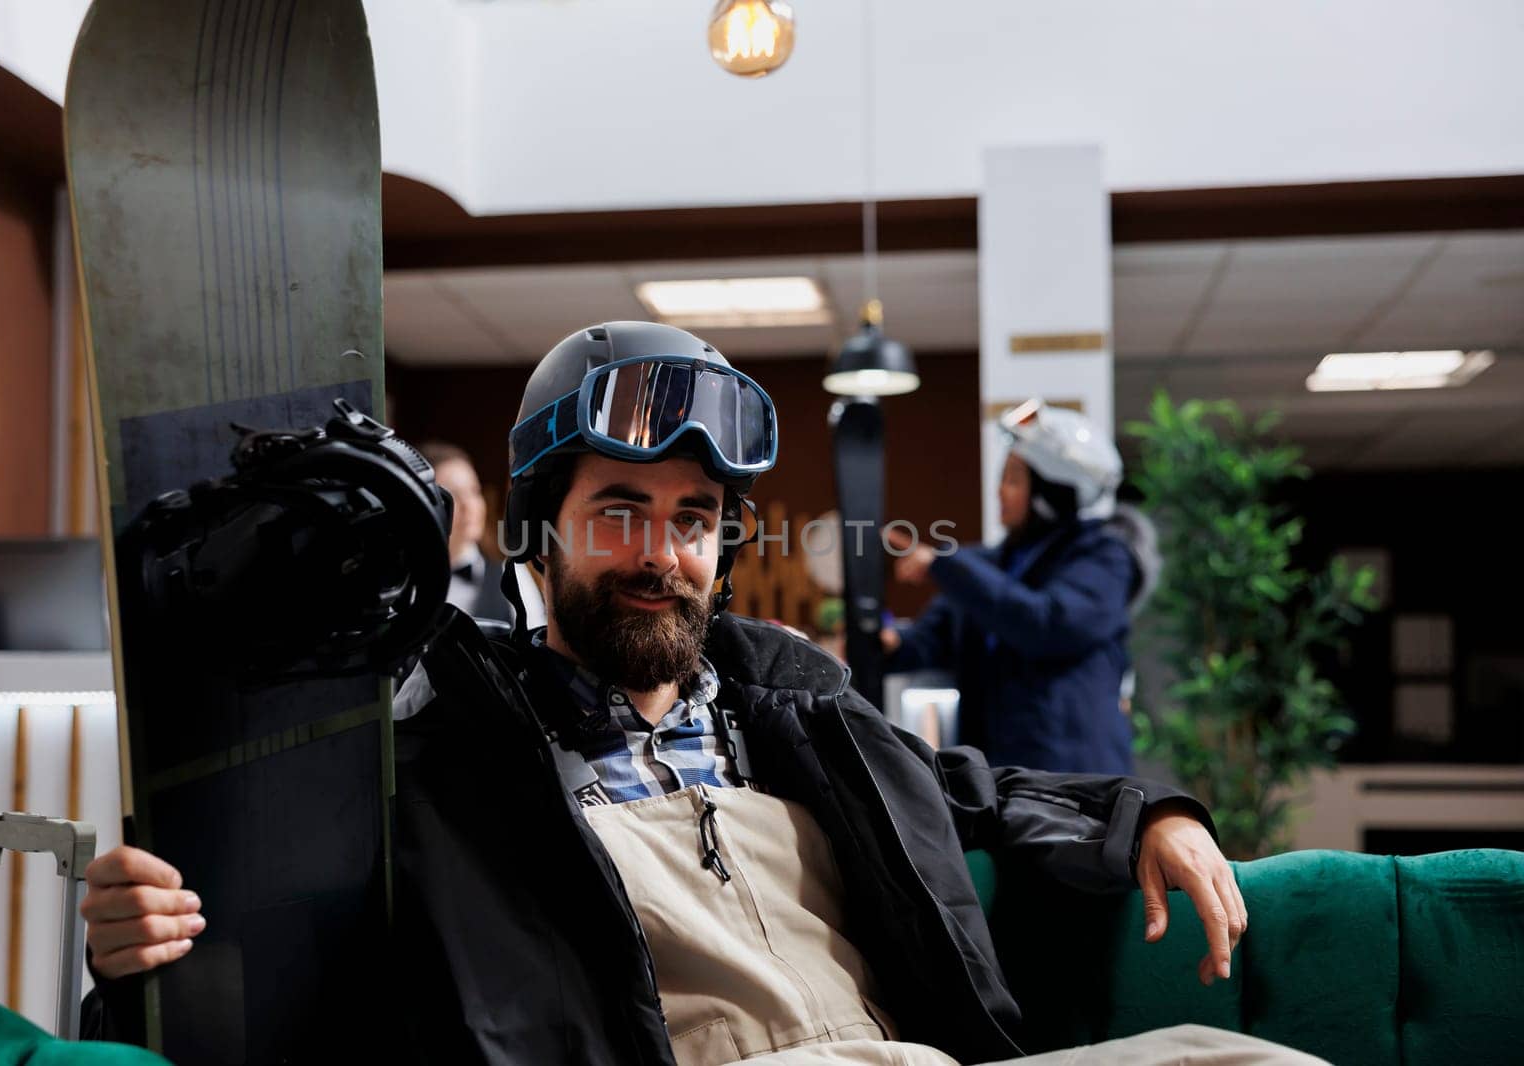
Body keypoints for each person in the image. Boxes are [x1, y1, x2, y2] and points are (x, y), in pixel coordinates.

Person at [79, 324, 1318, 1065]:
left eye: (693, 521)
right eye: (616, 510)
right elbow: (274, 962)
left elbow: (979, 794)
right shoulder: (441, 756)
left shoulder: (795, 712)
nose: (658, 554)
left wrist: (1150, 810)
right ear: (535, 534)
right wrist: (145, 952)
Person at [884, 400, 1157, 775]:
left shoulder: (1104, 557)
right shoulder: (988, 566)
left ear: (1051, 492)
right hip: (993, 780)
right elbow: (929, 641)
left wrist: (946, 565)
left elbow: (1046, 624)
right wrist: (888, 642)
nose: (999, 491)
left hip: (1076, 781)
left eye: (1013, 479)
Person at [419, 440, 526, 625]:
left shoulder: (512, 575)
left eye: (474, 491)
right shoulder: (403, 582)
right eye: (452, 494)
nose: (469, 506)